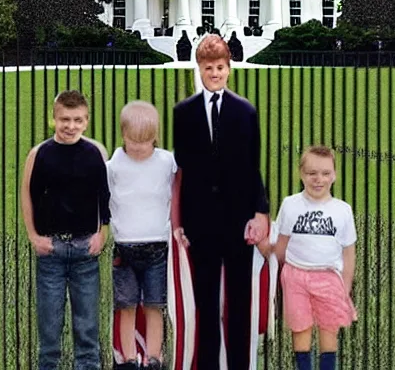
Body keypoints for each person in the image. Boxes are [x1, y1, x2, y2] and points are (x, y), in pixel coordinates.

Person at [172, 34, 269, 369]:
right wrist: (181, 219)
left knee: (239, 303)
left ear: (229, 69)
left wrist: (260, 212)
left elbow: (254, 163)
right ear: (198, 69)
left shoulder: (245, 111)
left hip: (238, 218)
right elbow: (183, 167)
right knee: (206, 304)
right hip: (201, 221)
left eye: (220, 67)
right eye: (208, 67)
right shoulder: (183, 113)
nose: (214, 73)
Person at [21, 90, 110, 370]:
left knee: (87, 329)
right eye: (64, 120)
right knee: (49, 330)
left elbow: (104, 196)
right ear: (54, 119)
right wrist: (33, 236)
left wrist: (102, 232)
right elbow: (27, 195)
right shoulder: (39, 154)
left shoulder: (96, 153)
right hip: (51, 250)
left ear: (86, 121)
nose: (70, 126)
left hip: (86, 249)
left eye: (77, 120)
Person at [258, 145, 357, 370]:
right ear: (301, 174)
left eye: (325, 173)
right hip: (295, 276)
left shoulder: (342, 210)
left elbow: (349, 253)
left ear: (334, 175)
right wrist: (266, 248)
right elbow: (281, 245)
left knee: (328, 335)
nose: (318, 179)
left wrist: (346, 287)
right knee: (300, 332)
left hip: (329, 278)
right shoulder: (291, 204)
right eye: (312, 173)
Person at [107, 101, 177, 370]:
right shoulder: (115, 164)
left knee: (154, 305)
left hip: (157, 246)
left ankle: (154, 357)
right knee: (125, 305)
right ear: (123, 135)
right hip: (124, 248)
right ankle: (127, 359)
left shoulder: (166, 161)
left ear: (155, 137)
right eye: (133, 141)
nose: (139, 147)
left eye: (146, 141)